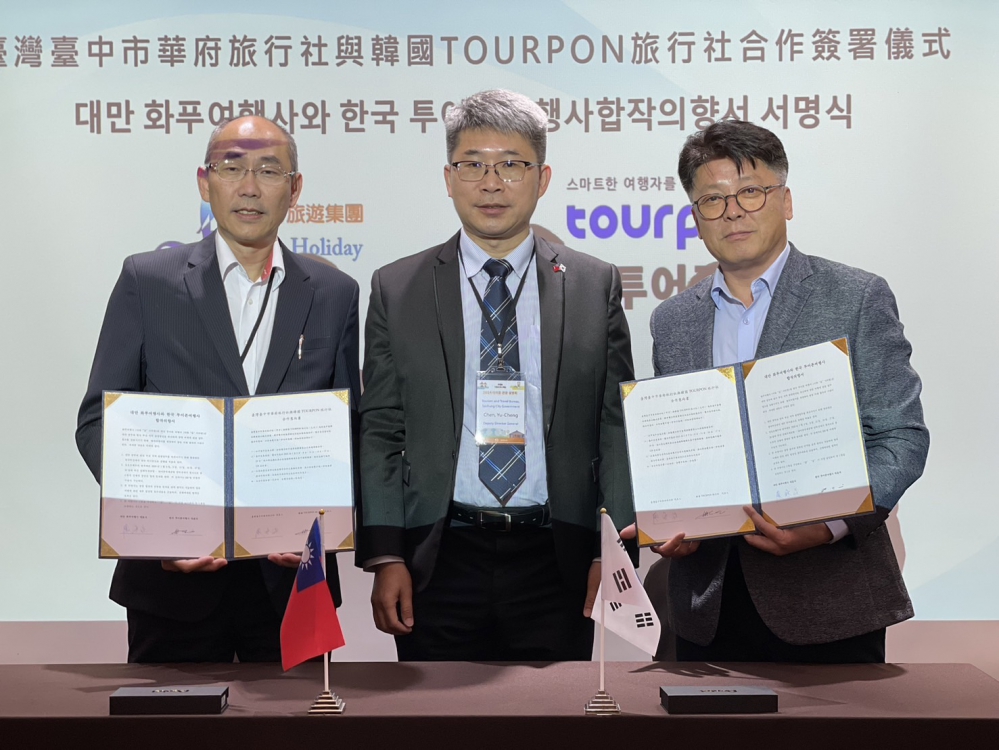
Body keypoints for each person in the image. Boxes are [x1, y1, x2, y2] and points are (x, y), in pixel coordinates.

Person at [356, 89, 636, 661]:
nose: (491, 183)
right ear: (448, 177)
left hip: (555, 556)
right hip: (439, 557)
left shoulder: (593, 285)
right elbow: (382, 426)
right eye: (473, 165)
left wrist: (609, 550)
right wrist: (386, 554)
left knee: (554, 710)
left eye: (511, 165)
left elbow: (615, 425)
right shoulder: (398, 287)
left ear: (543, 177)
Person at [639, 119, 929, 663]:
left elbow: (901, 437)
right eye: (712, 199)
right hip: (706, 606)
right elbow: (680, 455)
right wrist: (671, 518)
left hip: (830, 604)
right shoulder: (672, 321)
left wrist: (828, 526)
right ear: (695, 217)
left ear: (786, 201)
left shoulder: (856, 296)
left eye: (750, 191)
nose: (733, 212)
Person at [76, 116, 361, 663]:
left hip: (292, 584)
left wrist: (321, 521)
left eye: (269, 171)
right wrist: (157, 526)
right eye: (232, 169)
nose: (249, 187)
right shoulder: (148, 280)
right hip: (172, 586)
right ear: (205, 183)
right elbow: (97, 421)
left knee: (297, 716)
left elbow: (350, 430)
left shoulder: (334, 292)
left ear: (295, 189)